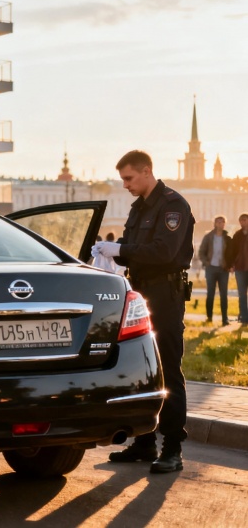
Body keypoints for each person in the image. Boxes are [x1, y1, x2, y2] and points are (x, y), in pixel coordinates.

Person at [92, 150, 194, 474]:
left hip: (165, 293)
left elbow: (164, 251)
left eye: (129, 178)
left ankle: (173, 448)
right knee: (142, 368)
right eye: (123, 179)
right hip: (141, 292)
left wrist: (120, 249)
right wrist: (107, 251)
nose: (125, 185)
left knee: (166, 368)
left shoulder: (173, 205)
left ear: (147, 171)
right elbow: (134, 249)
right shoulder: (138, 208)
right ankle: (144, 442)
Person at [197, 215, 232, 325]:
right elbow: (201, 252)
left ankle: (224, 319)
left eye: (222, 222)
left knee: (223, 295)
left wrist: (229, 264)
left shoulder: (227, 237)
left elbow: (231, 253)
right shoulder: (208, 236)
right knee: (210, 293)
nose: (220, 224)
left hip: (223, 269)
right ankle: (209, 317)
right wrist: (206, 263)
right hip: (211, 268)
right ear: (215, 223)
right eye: (218, 222)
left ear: (224, 224)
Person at [230, 213, 248, 323]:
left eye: (245, 220)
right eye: (241, 220)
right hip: (240, 268)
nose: (242, 222)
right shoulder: (237, 235)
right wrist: (232, 264)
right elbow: (232, 251)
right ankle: (244, 317)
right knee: (242, 294)